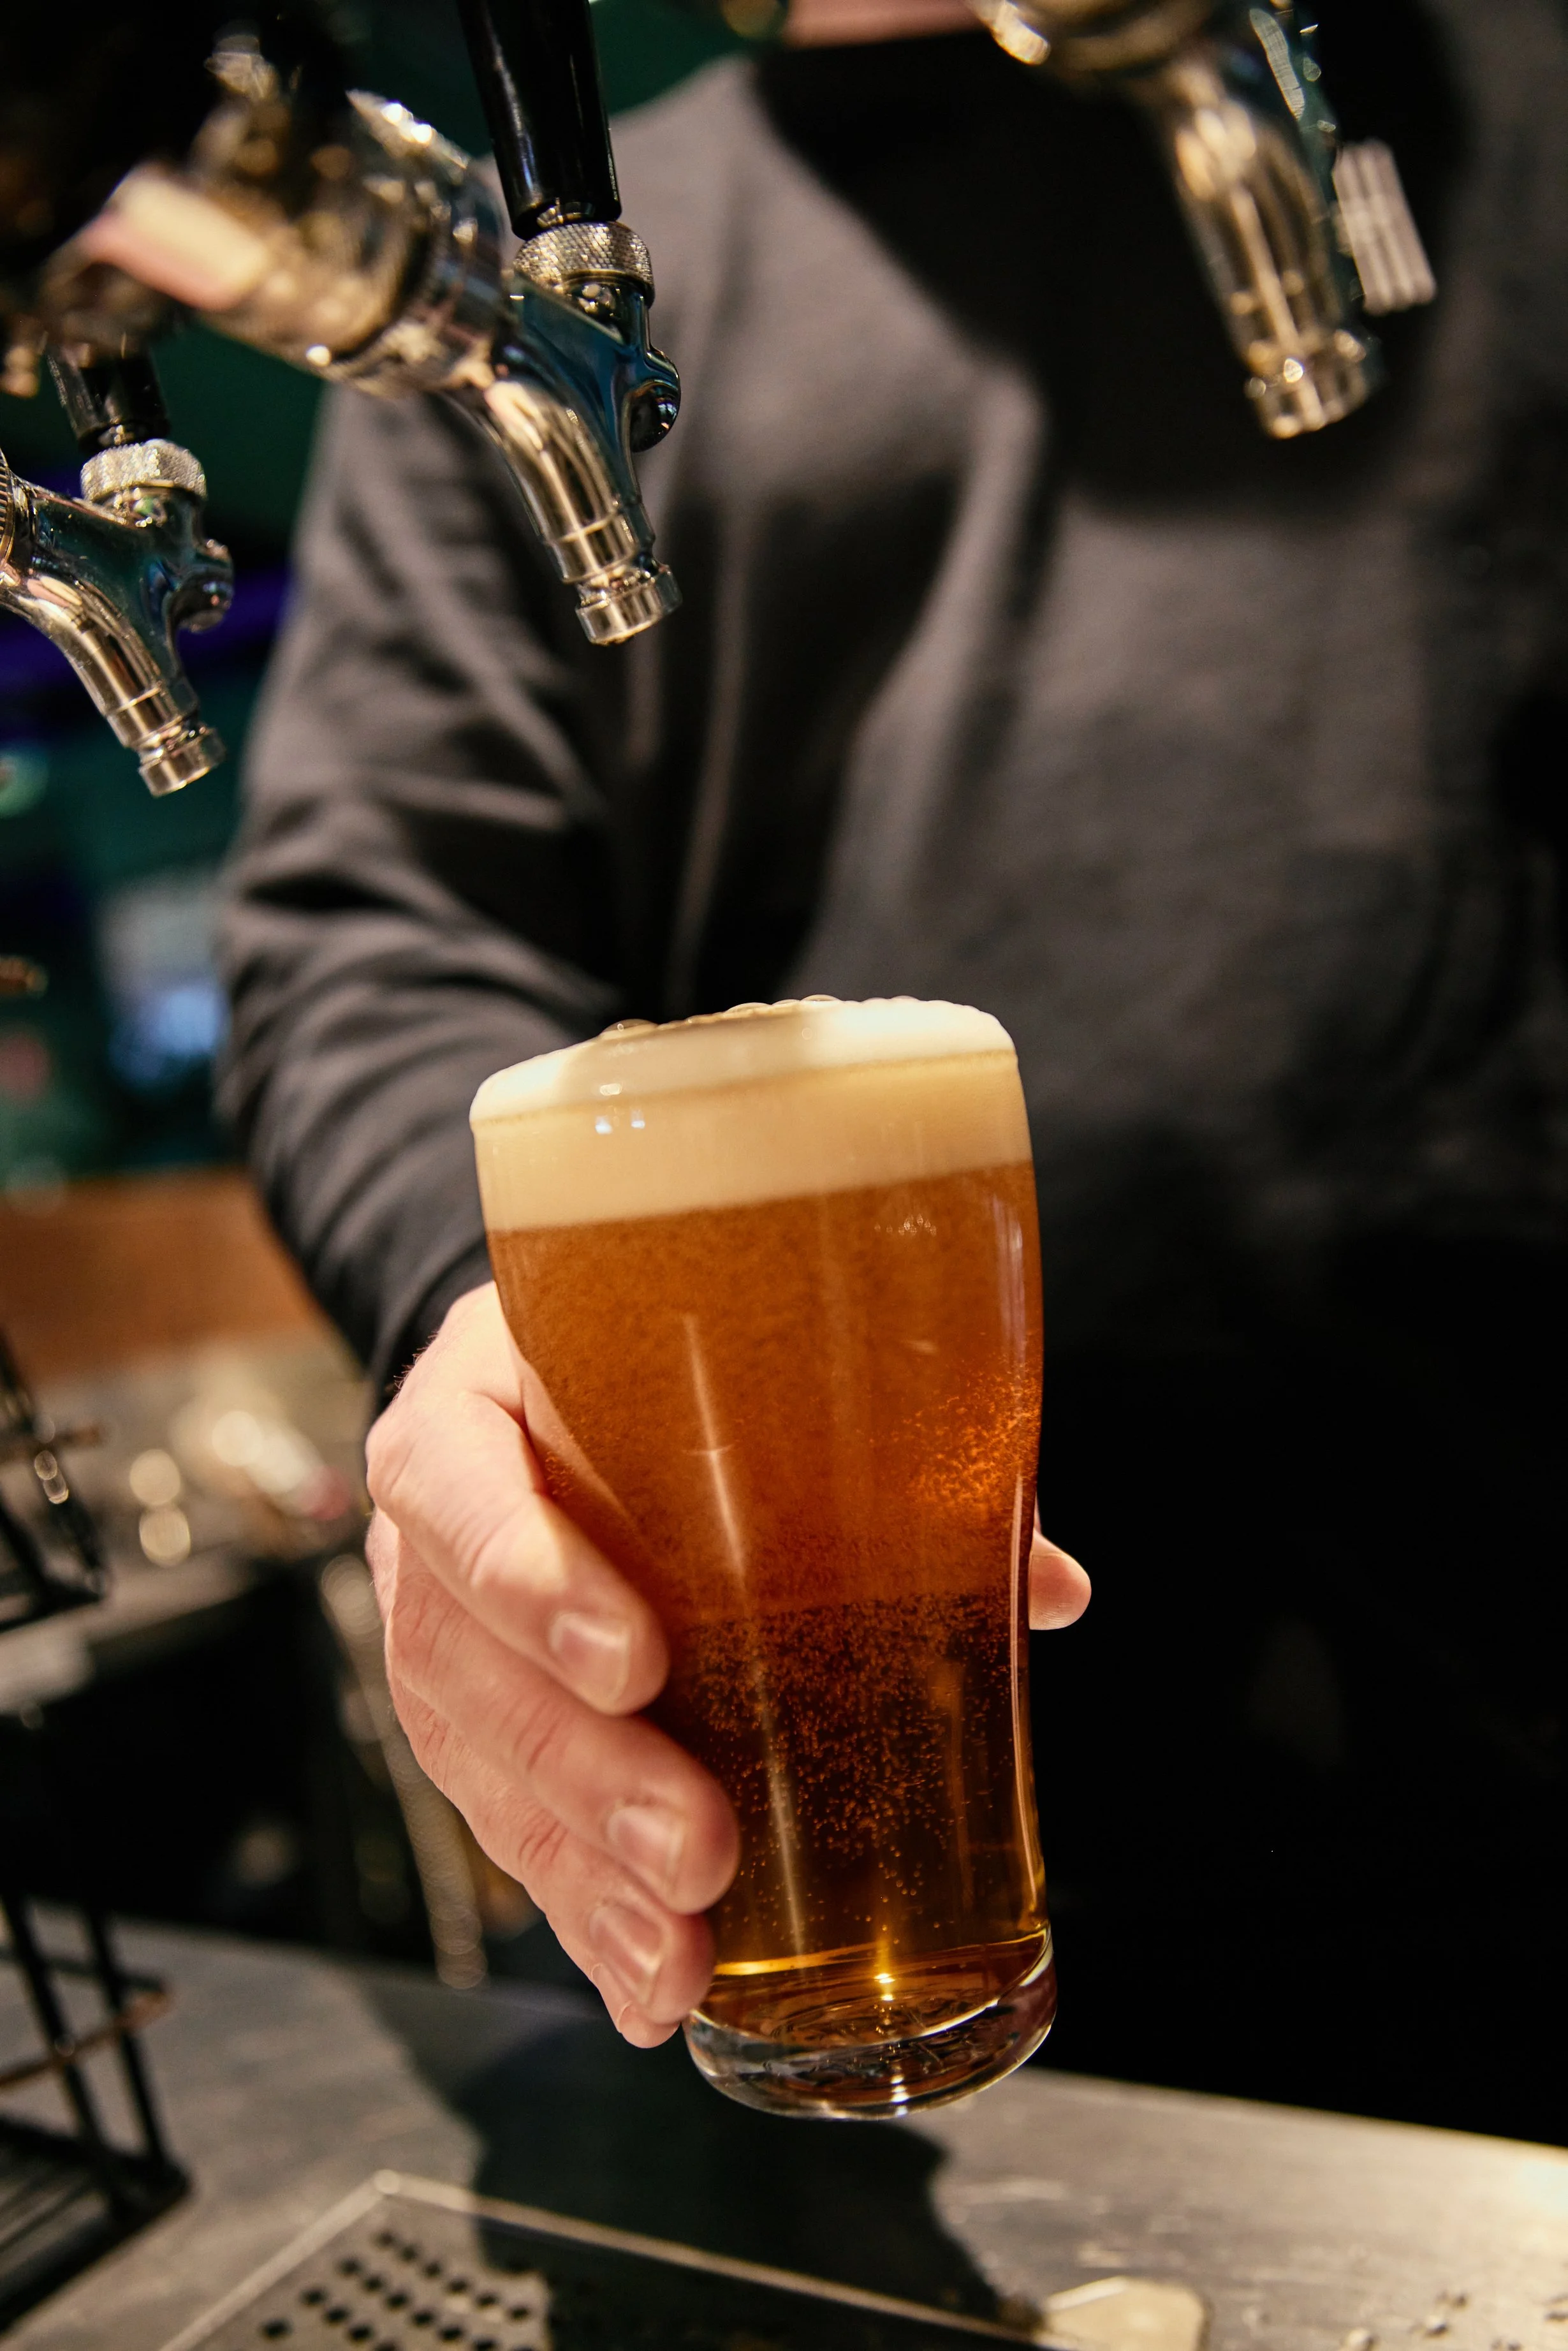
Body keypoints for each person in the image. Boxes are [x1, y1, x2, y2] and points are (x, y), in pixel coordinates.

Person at [221, 0, 1568, 2135]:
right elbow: (371, 933)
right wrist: (478, 1322)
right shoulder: (521, 299)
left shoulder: (1519, 102)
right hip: (847, 1832)